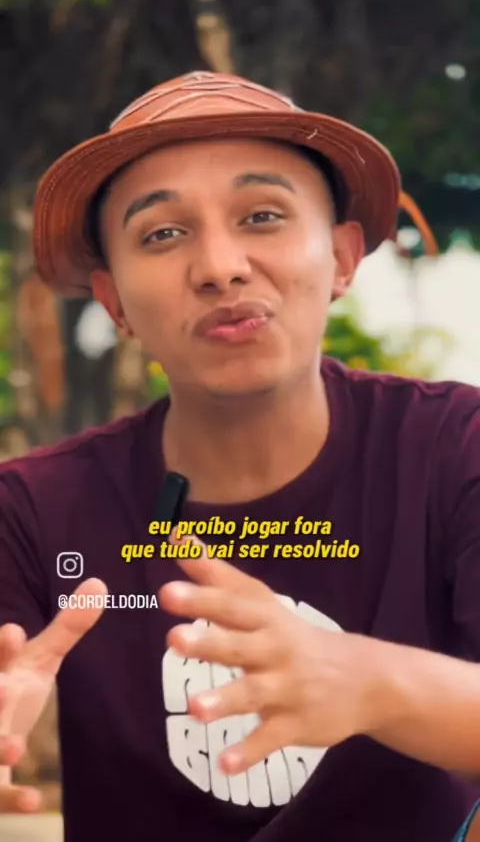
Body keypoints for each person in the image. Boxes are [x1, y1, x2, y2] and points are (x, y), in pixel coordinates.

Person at [0, 70, 479, 842]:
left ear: (344, 257)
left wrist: (371, 681)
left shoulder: (455, 449)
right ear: (114, 301)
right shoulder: (31, 509)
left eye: (262, 216)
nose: (220, 267)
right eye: (162, 233)